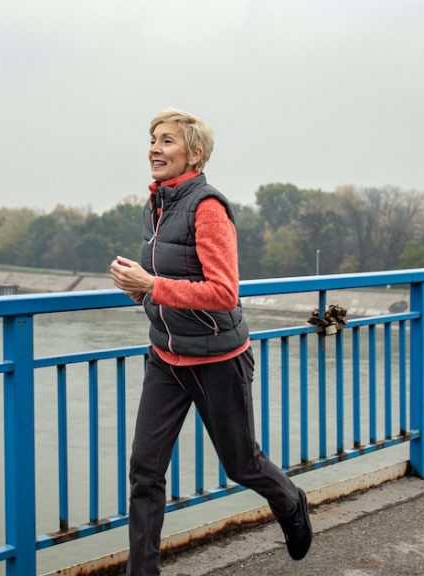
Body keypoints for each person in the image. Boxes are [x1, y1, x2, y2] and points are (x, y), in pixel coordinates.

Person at [110, 108, 313, 576]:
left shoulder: (208, 208)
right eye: (153, 140)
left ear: (194, 154)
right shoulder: (156, 205)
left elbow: (223, 293)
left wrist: (151, 285)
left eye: (167, 142)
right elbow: (165, 278)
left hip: (219, 359)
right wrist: (138, 286)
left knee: (241, 462)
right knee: (144, 471)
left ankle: (290, 503)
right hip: (166, 356)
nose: (154, 149)